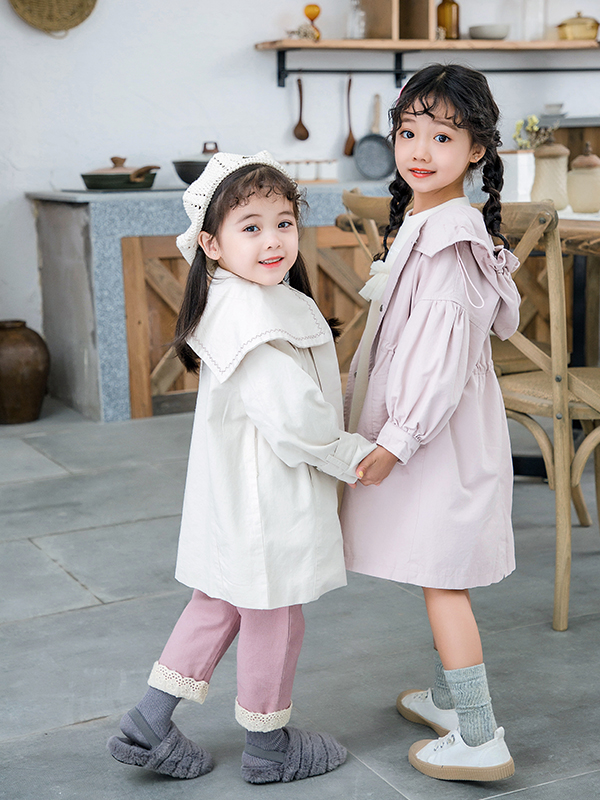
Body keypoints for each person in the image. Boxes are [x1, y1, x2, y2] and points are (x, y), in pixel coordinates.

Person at [107, 151, 375, 784]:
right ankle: (268, 745)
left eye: (284, 223)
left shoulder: (242, 298)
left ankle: (150, 720)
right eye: (250, 227)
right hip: (266, 493)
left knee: (219, 600)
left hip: (236, 491)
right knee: (274, 611)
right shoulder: (251, 314)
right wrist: (353, 455)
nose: (272, 240)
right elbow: (293, 414)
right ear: (212, 244)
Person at [340, 64, 521, 782]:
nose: (420, 149)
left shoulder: (449, 242)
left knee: (444, 576)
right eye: (409, 131)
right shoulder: (430, 223)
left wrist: (398, 438)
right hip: (440, 431)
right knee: (435, 564)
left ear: (477, 149)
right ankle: (449, 699)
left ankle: (479, 736)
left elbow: (440, 361)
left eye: (443, 136)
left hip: (438, 436)